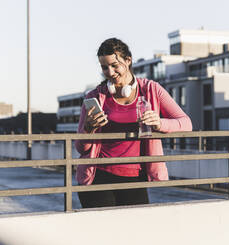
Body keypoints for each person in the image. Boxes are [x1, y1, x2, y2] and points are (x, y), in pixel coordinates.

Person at [75, 38, 192, 208]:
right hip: (98, 176)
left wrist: (159, 124)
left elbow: (186, 124)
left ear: (128, 61)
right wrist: (88, 128)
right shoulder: (95, 97)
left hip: (135, 178)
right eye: (104, 67)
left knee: (135, 231)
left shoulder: (152, 90)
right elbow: (80, 148)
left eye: (115, 65)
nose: (110, 72)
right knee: (104, 232)